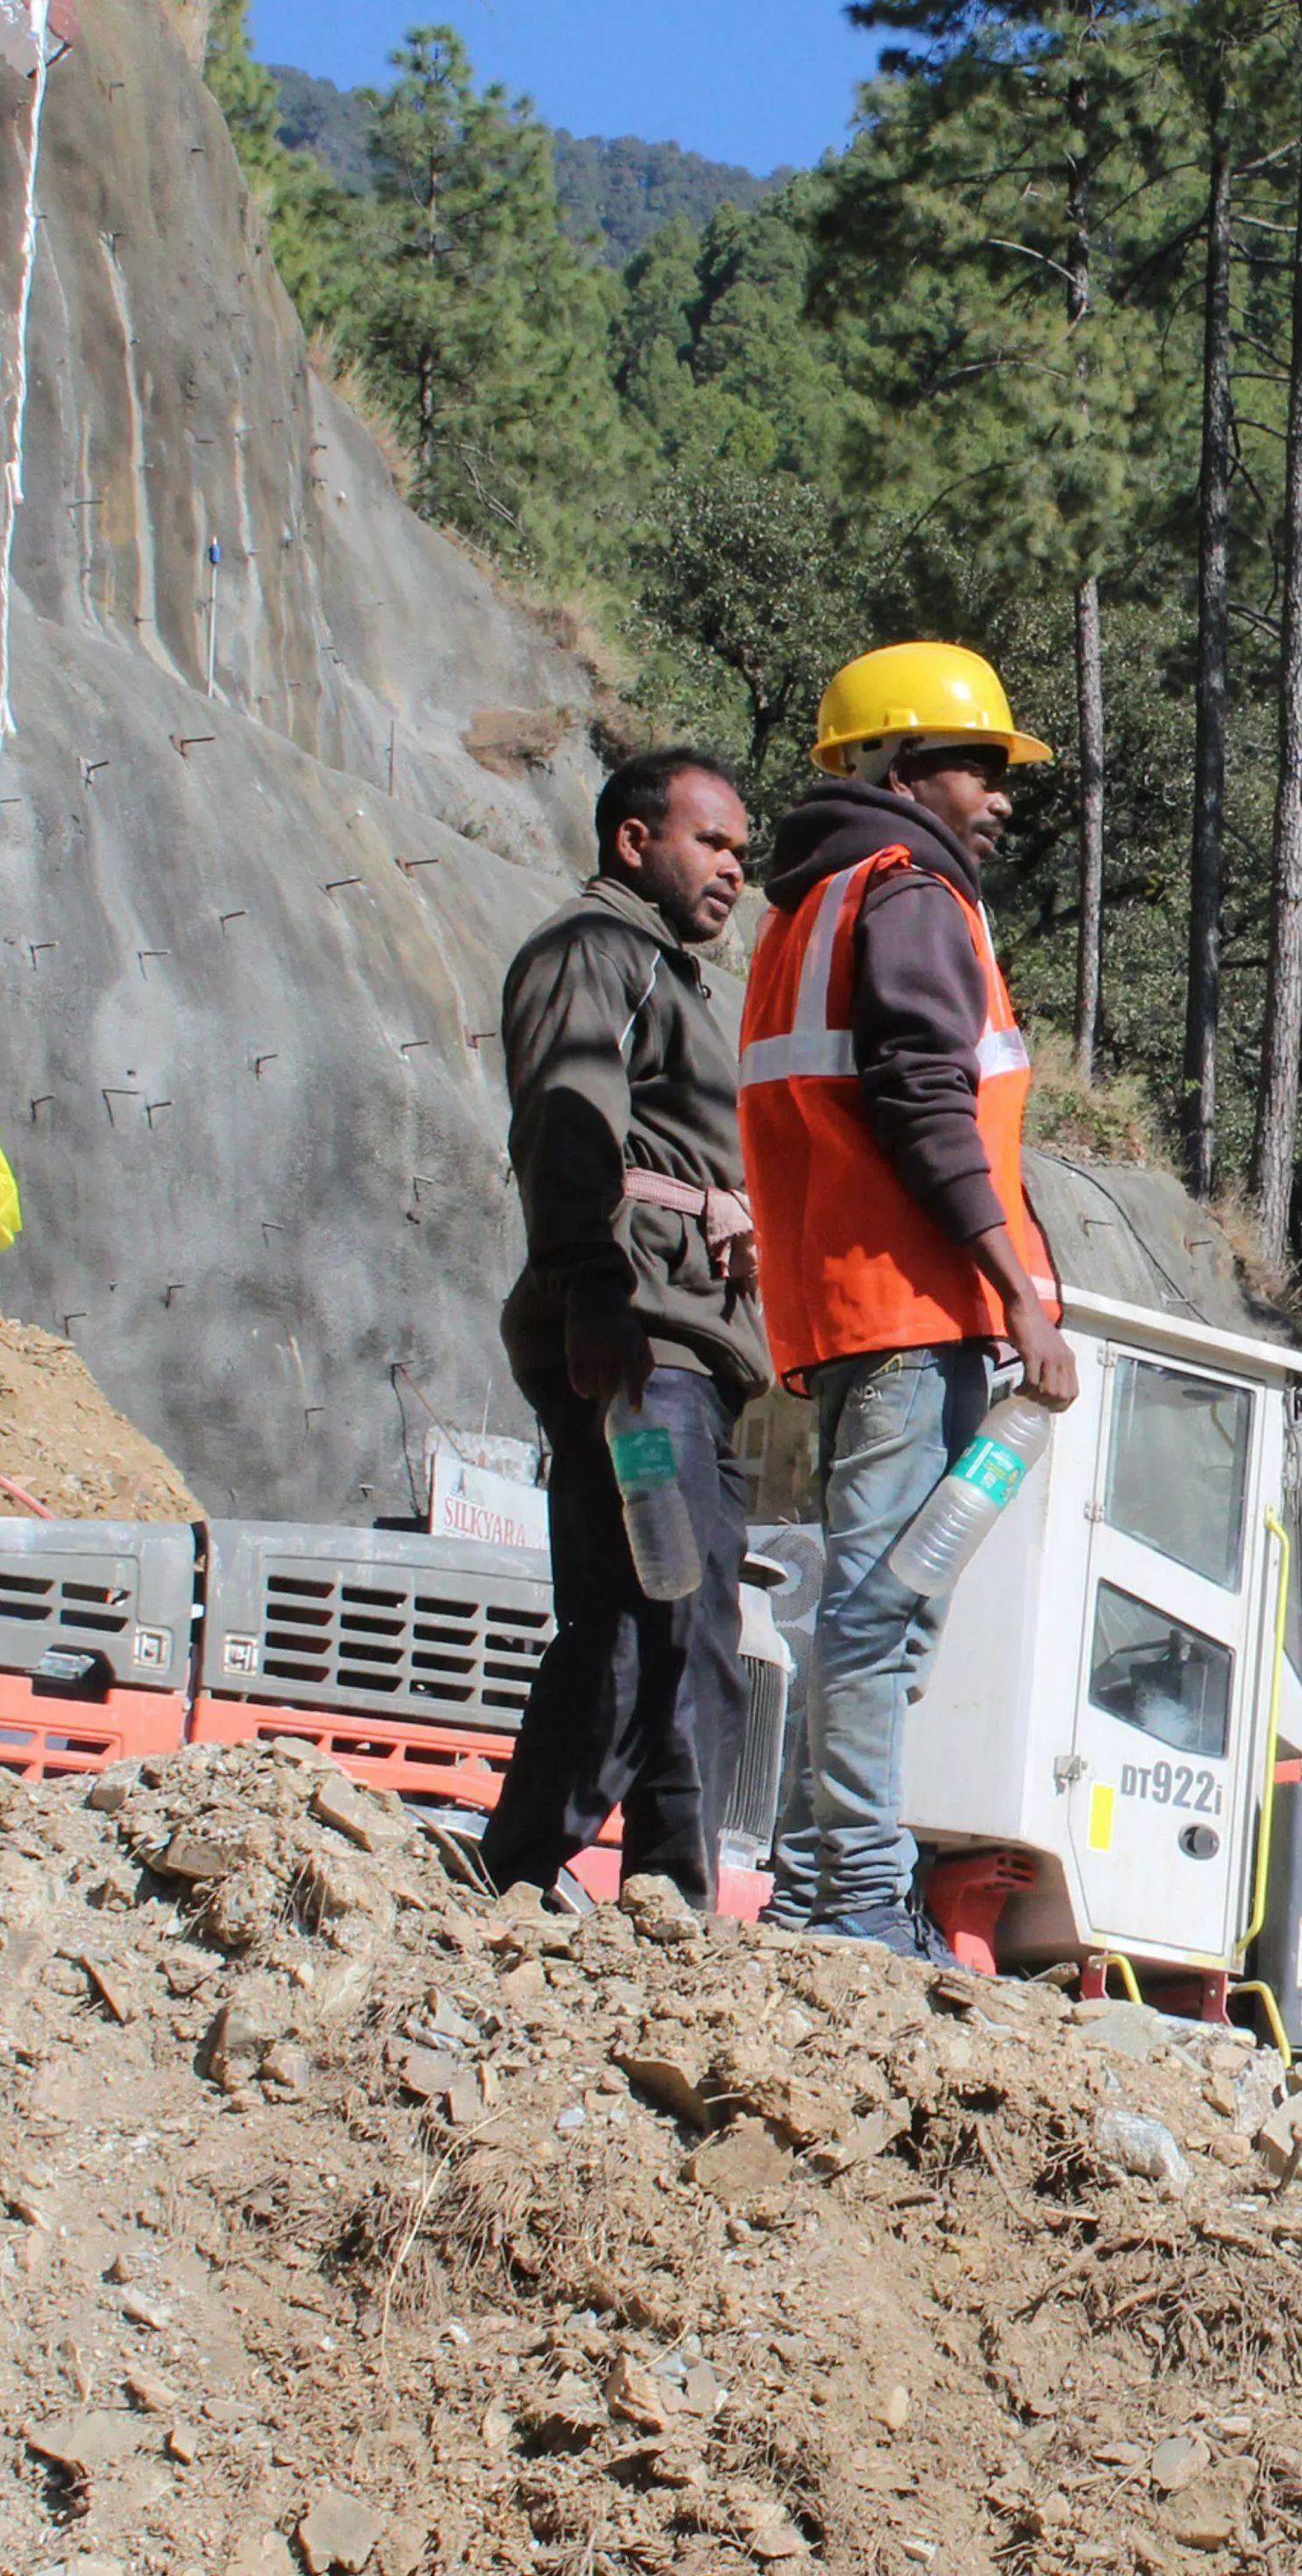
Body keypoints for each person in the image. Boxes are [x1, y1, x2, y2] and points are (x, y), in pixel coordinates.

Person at [740, 642, 1083, 1957]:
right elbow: (929, 1107)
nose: (1001, 796)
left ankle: (827, 1886)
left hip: (842, 1311)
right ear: (897, 764)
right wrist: (1018, 1291)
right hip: (913, 1308)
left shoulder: (804, 906)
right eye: (977, 764)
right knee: (880, 1610)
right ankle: (855, 1903)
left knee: (865, 1608)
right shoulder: (910, 894)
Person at [485, 746, 766, 1907]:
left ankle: (602, 1876)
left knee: (651, 1616)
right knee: (664, 1612)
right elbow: (569, 1129)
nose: (734, 872)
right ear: (634, 841)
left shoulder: (664, 974)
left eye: (744, 854)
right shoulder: (595, 955)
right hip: (642, 1353)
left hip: (672, 1340)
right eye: (713, 842)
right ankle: (595, 1878)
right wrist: (595, 1289)